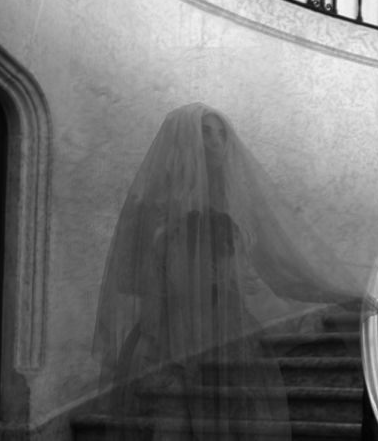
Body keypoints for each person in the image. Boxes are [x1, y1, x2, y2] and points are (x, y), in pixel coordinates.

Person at [92, 103, 358, 440]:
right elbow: (126, 279)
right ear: (183, 142)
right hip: (166, 338)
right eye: (205, 132)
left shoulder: (239, 203)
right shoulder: (150, 205)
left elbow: (281, 267)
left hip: (230, 339)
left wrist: (337, 293)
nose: (217, 142)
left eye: (223, 134)